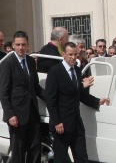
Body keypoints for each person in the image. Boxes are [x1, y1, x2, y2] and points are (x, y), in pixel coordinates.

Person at [45, 42, 109, 163]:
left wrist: (97, 101)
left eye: (75, 54)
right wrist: (57, 121)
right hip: (61, 124)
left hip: (76, 122)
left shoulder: (77, 70)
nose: (73, 57)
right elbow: (50, 99)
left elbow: (80, 95)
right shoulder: (55, 72)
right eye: (70, 55)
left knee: (81, 156)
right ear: (63, 54)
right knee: (61, 158)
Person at [0, 31, 44, 162]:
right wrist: (9, 114)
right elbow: (3, 91)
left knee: (35, 147)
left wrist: (52, 97)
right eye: (18, 44)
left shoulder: (30, 61)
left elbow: (35, 86)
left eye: (23, 44)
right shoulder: (7, 63)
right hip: (16, 115)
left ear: (28, 45)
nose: (21, 48)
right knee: (18, 151)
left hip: (32, 112)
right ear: (13, 45)